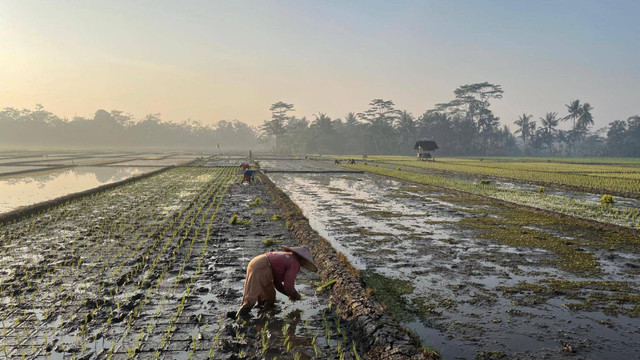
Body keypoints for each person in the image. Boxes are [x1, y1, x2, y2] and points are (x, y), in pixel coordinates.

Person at [236, 246, 317, 319]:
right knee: (251, 297)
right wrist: (295, 295)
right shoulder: (294, 263)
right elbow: (288, 285)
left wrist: (289, 294)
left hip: (259, 263)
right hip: (262, 266)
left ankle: (263, 318)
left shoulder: (287, 257)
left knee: (269, 296)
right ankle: (239, 318)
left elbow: (277, 284)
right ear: (302, 260)